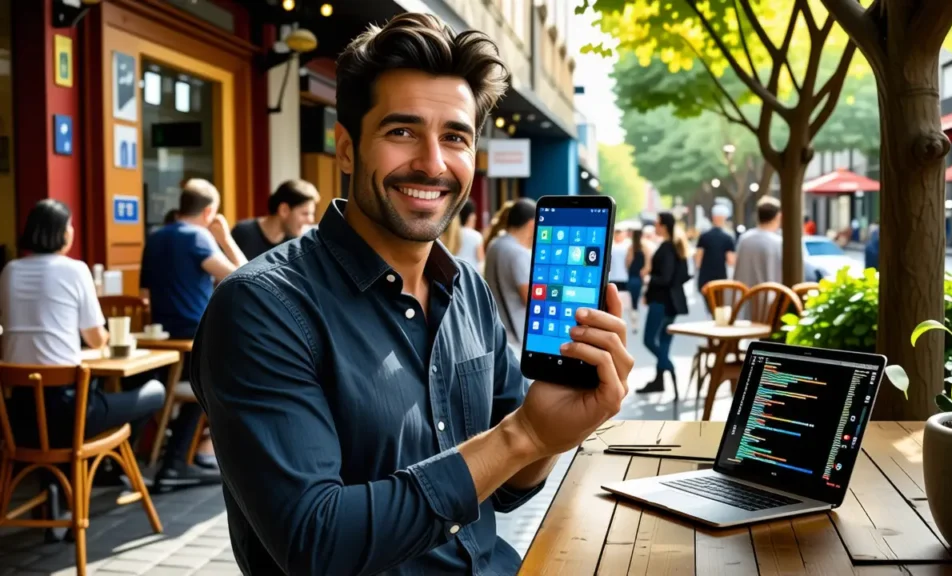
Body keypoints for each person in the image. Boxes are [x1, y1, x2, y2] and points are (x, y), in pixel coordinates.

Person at [189, 14, 633, 575]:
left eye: (455, 136)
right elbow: (314, 543)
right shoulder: (261, 306)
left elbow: (505, 490)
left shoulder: (466, 288)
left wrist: (551, 435)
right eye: (402, 131)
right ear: (346, 149)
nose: (433, 162)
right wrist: (524, 435)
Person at [0, 200, 166, 537]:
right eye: (70, 225)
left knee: (62, 416)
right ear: (60, 232)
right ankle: (105, 465)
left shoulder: (10, 271)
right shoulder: (74, 270)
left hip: (18, 418)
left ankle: (60, 492)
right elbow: (96, 338)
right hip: (70, 414)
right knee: (155, 391)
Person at [141, 178, 243, 488]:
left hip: (158, 339)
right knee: (212, 384)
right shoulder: (199, 237)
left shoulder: (156, 237)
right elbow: (245, 277)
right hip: (195, 335)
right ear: (209, 211)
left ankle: (182, 456)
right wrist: (225, 239)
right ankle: (176, 463)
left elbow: (144, 293)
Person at [638, 212, 691, 396]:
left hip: (661, 301)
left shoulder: (668, 248)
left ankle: (669, 367)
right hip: (670, 302)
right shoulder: (674, 246)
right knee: (664, 342)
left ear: (664, 226)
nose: (655, 226)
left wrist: (648, 276)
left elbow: (665, 277)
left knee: (649, 339)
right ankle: (659, 380)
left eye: (657, 223)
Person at [483, 198, 536, 356]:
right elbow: (532, 300)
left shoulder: (495, 244)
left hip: (495, 333)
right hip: (516, 340)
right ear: (532, 224)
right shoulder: (518, 253)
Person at [231, 179, 320, 260]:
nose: (311, 220)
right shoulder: (243, 233)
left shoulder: (296, 242)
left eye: (312, 214)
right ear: (284, 210)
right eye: (305, 214)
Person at [734, 197, 783, 290]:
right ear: (778, 216)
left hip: (743, 299)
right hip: (773, 299)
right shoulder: (778, 242)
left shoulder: (744, 239)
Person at [694, 204, 736, 302]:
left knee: (710, 305)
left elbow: (698, 260)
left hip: (705, 278)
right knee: (719, 306)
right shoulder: (728, 237)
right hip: (720, 277)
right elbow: (731, 261)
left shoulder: (704, 236)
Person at [623, 227, 650, 333]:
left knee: (632, 302)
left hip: (631, 277)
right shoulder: (645, 248)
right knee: (636, 301)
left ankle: (634, 323)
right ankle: (635, 323)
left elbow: (627, 263)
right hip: (639, 278)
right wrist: (643, 272)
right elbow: (648, 265)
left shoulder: (631, 248)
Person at [455, 199, 485, 268]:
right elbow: (481, 260)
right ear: (470, 216)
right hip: (471, 273)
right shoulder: (476, 236)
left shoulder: (452, 234)